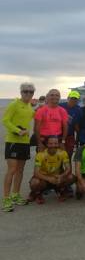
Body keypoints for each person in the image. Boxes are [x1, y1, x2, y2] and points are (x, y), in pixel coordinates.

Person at [2, 83, 36, 212]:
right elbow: (5, 120)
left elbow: (36, 114)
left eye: (30, 92)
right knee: (12, 170)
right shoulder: (14, 104)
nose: (28, 94)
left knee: (20, 171)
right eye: (25, 91)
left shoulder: (29, 106)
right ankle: (6, 198)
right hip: (13, 141)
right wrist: (17, 130)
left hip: (25, 142)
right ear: (21, 92)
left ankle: (15, 195)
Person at [28, 136, 75, 204]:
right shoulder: (40, 155)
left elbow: (68, 168)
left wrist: (61, 176)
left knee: (71, 177)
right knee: (34, 182)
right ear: (47, 144)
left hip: (57, 178)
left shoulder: (63, 153)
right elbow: (36, 173)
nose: (53, 145)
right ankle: (37, 193)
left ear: (58, 144)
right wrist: (49, 179)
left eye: (55, 143)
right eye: (51, 143)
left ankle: (61, 190)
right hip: (44, 179)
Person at [59, 91, 82, 158]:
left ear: (78, 100)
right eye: (72, 98)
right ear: (68, 98)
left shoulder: (78, 109)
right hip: (58, 135)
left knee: (68, 157)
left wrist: (77, 139)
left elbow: (77, 125)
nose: (73, 100)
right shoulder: (61, 106)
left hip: (70, 136)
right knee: (58, 157)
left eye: (75, 99)